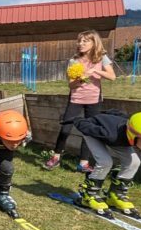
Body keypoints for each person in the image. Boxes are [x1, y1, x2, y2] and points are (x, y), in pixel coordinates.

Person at [72, 110, 141, 217]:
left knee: (134, 162)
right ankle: (89, 195)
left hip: (119, 138)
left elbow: (117, 114)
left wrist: (106, 112)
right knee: (105, 161)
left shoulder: (129, 131)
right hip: (93, 133)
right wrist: (77, 120)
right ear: (134, 134)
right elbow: (86, 127)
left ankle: (115, 195)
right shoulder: (111, 134)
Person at [43, 31, 116, 172]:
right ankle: (56, 157)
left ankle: (83, 163)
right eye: (79, 41)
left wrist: (95, 71)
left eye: (85, 41)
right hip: (76, 99)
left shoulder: (102, 57)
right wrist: (80, 79)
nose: (80, 44)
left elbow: (112, 76)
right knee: (65, 128)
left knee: (89, 131)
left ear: (94, 43)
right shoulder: (74, 60)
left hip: (94, 100)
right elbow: (71, 85)